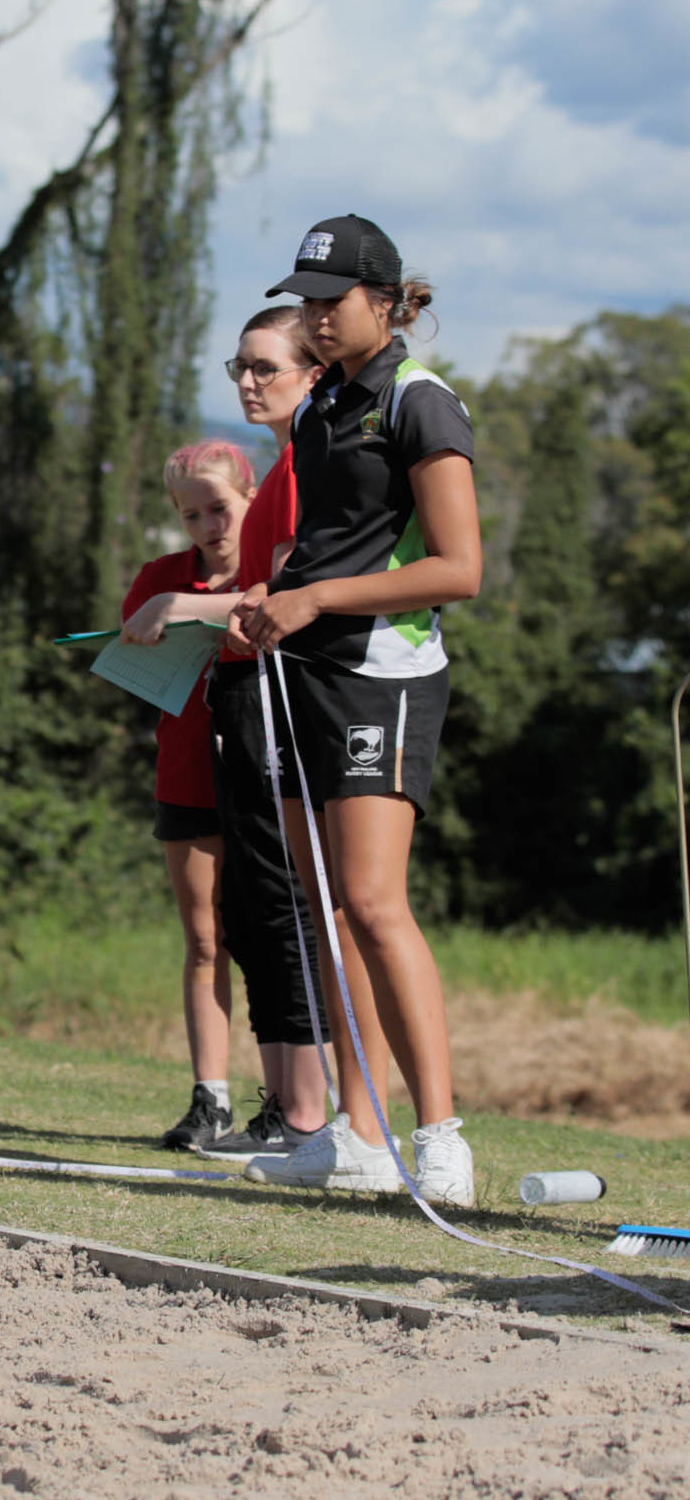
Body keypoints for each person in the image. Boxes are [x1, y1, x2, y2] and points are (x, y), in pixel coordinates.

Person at [232, 215, 481, 1206]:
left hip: (385, 674)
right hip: (303, 670)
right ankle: (359, 1132)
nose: (316, 318)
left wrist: (315, 598)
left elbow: (457, 568)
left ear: (384, 301)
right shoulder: (318, 406)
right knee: (331, 915)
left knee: (375, 904)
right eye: (305, 302)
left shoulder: (421, 402)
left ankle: (441, 1139)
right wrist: (274, 596)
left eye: (331, 301)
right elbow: (326, 545)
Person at [201, 307, 332, 1156]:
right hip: (245, 695)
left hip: (283, 695)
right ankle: (282, 1101)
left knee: (287, 901)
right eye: (238, 368)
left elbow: (277, 601)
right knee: (252, 907)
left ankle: (308, 1110)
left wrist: (182, 607)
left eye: (264, 368)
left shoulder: (305, 466)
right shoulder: (285, 462)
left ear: (313, 374)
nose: (247, 383)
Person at [119, 440, 255, 1149]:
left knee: (278, 939)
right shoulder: (158, 578)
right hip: (187, 775)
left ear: (252, 496)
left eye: (219, 508)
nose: (208, 526)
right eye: (191, 515)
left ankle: (297, 1103)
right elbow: (133, 655)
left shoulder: (278, 568)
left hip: (270, 776)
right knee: (205, 940)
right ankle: (211, 1099)